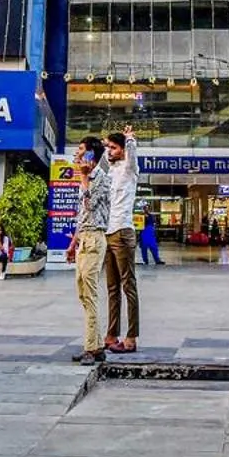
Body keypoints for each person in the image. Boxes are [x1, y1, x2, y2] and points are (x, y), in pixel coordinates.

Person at [101, 124, 140, 353]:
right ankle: (111, 334)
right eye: (109, 148)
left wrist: (130, 141)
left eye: (114, 148)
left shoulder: (129, 168)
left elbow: (132, 156)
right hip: (108, 232)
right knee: (112, 288)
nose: (111, 151)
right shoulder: (111, 171)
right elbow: (98, 165)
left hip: (123, 232)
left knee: (128, 286)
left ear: (123, 150)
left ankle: (131, 337)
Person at [71, 135, 109, 365]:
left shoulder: (100, 178)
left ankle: (90, 347)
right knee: (83, 293)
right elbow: (82, 215)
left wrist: (84, 177)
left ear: (90, 156)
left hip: (95, 239)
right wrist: (73, 242)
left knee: (90, 294)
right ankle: (97, 346)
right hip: (84, 238)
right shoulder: (85, 178)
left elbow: (89, 204)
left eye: (81, 150)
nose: (76, 154)